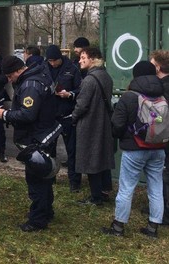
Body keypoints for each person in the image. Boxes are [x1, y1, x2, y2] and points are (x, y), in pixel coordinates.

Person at [0, 55, 59, 232]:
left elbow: (28, 114)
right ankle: (47, 211)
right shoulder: (40, 76)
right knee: (45, 177)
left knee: (36, 180)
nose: (9, 80)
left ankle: (37, 220)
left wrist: (5, 115)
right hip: (45, 135)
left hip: (36, 140)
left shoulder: (30, 85)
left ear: (17, 70)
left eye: (9, 76)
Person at [102, 61, 165, 238]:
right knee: (156, 187)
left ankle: (118, 227)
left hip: (134, 148)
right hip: (159, 148)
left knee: (126, 188)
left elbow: (117, 124)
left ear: (135, 75)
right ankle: (153, 227)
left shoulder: (129, 96)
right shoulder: (163, 95)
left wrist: (123, 137)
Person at [72, 47, 114, 205]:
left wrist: (74, 118)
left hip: (90, 125)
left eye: (84, 57)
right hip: (103, 123)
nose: (80, 60)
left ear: (93, 59)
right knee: (102, 158)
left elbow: (82, 105)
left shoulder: (89, 80)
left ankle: (96, 197)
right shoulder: (106, 76)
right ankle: (104, 191)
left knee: (91, 160)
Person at [45, 45, 82, 192]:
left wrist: (70, 94)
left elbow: (80, 89)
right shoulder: (44, 67)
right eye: (50, 61)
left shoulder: (72, 69)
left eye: (55, 60)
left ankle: (74, 181)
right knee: (49, 149)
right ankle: (50, 176)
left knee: (72, 150)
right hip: (50, 116)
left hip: (67, 115)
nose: (52, 63)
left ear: (60, 58)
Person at [150, 49, 169, 225]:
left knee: (164, 174)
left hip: (165, 136)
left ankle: (165, 212)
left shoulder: (161, 88)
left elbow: (160, 115)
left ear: (157, 67)